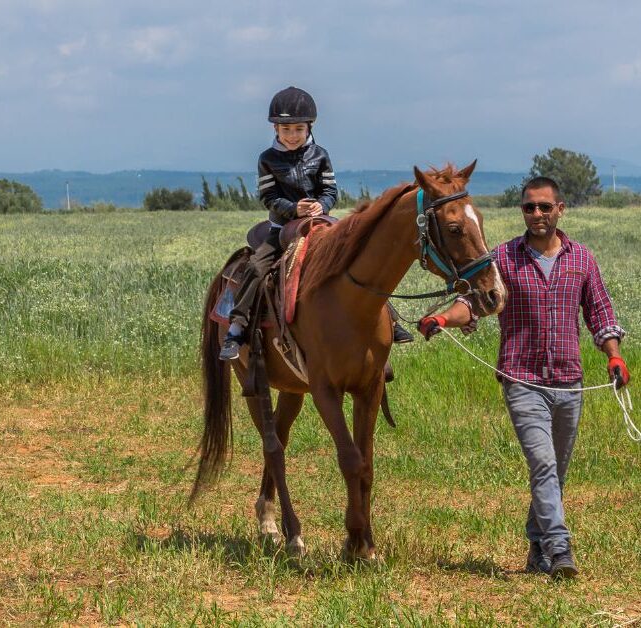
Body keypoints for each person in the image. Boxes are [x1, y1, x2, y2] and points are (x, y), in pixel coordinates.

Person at [418, 176, 629, 579]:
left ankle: (536, 548)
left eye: (544, 207)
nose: (536, 214)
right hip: (522, 379)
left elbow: (600, 313)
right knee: (543, 464)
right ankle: (560, 551)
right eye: (529, 207)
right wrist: (443, 317)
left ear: (560, 209)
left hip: (570, 382)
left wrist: (614, 358)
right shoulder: (504, 258)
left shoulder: (581, 259)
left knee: (556, 472)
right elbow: (475, 304)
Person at [219, 86, 412, 361]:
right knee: (255, 267)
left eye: (298, 129)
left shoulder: (320, 155)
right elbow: (268, 196)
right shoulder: (267, 159)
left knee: (360, 257)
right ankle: (236, 329)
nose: (293, 136)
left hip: (320, 221)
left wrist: (322, 205)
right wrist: (293, 208)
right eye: (286, 130)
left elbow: (330, 190)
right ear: (276, 129)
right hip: (281, 228)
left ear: (309, 127)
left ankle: (391, 319)